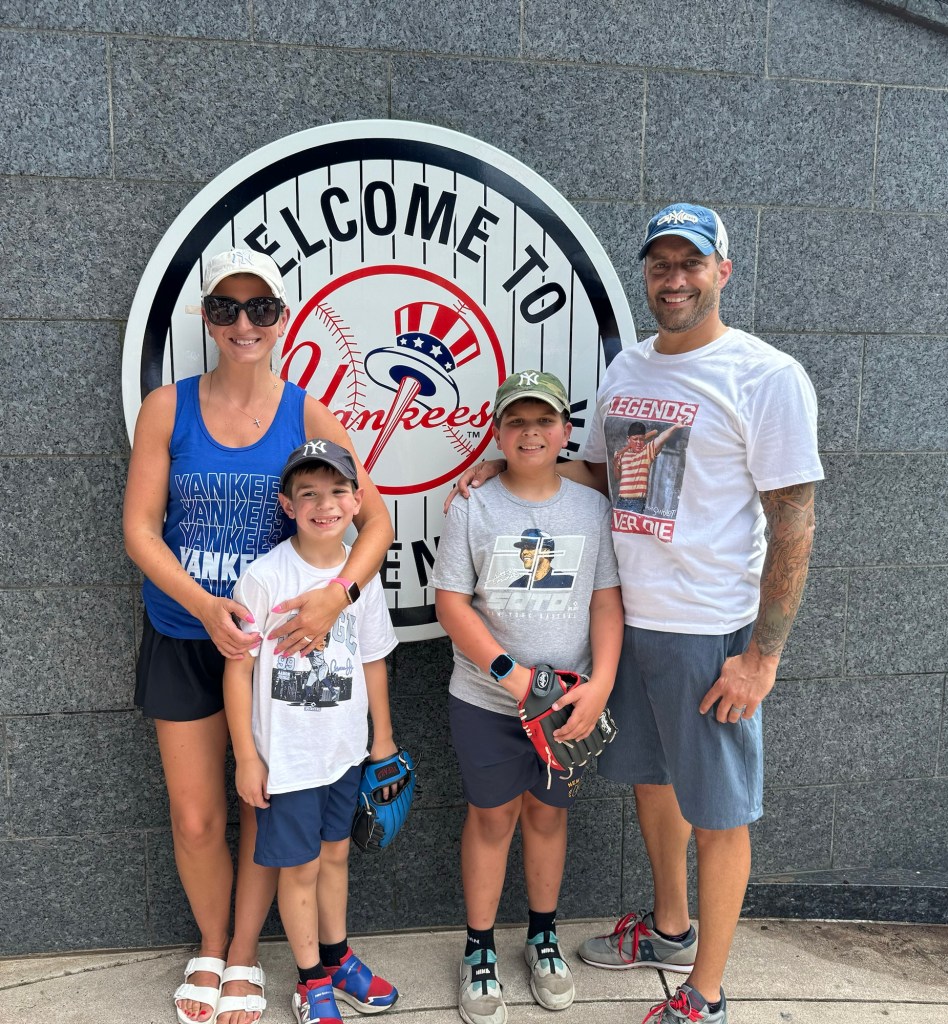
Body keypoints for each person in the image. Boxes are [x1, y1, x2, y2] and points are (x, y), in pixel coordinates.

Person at [451, 204, 822, 1024]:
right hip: (629, 624)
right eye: (661, 264)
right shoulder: (628, 371)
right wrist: (500, 468)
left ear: (723, 272)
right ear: (646, 275)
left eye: (692, 263)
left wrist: (762, 656)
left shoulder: (765, 376)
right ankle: (670, 930)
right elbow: (596, 473)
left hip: (709, 629)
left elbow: (795, 523)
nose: (675, 279)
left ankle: (706, 996)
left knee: (718, 815)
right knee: (654, 788)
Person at [123, 248, 394, 1024]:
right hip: (185, 633)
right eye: (226, 308)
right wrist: (204, 605)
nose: (244, 323)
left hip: (281, 650)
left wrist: (336, 598)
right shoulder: (167, 408)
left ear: (282, 317)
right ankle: (210, 944)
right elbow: (140, 529)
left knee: (264, 803)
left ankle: (244, 952)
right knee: (197, 817)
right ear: (206, 317)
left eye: (261, 308)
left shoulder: (306, 412)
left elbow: (375, 522)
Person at [432, 370, 623, 1024]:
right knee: (491, 820)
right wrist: (510, 675)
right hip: (486, 701)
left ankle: (542, 936)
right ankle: (479, 946)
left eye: (544, 420)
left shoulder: (590, 510)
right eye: (516, 421)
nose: (530, 432)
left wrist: (601, 684)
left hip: (565, 706)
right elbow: (451, 603)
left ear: (566, 432)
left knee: (547, 817)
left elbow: (606, 602)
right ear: (498, 432)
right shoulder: (473, 506)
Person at [224, 439, 400, 1024]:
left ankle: (337, 955)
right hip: (288, 758)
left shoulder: (359, 576)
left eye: (337, 491)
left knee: (336, 857)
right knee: (298, 868)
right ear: (287, 504)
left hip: (343, 752)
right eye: (309, 494)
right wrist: (247, 757)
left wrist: (382, 738)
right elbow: (238, 670)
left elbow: (372, 658)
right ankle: (310, 980)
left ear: (356, 501)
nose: (325, 505)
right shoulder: (265, 577)